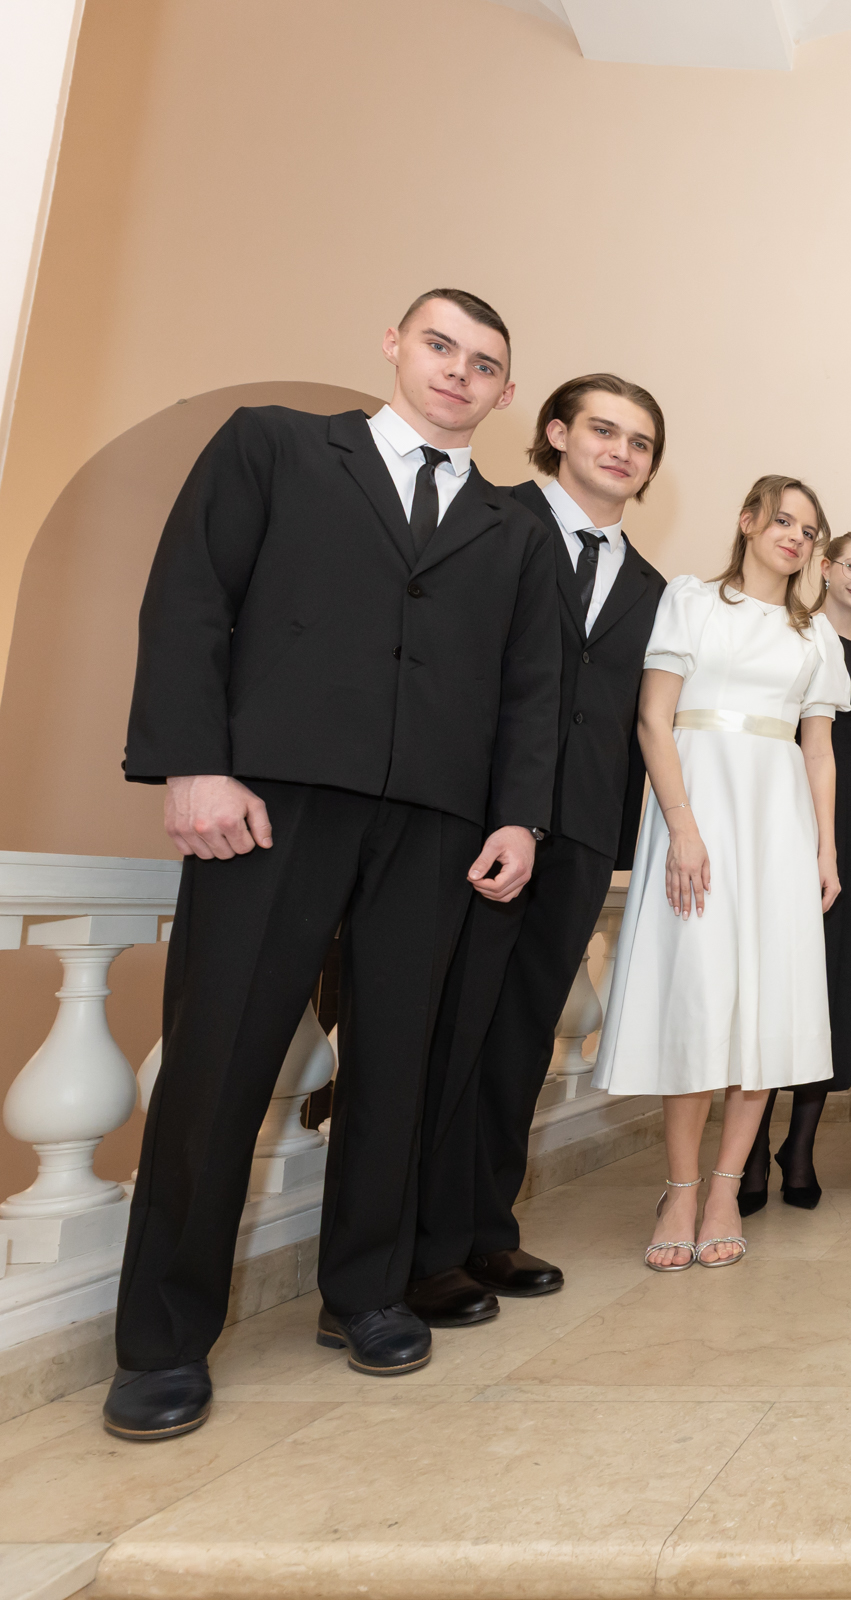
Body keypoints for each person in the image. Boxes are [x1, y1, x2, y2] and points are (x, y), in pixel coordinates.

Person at [109, 289, 559, 1440]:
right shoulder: (274, 445)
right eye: (440, 345)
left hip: (437, 824)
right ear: (395, 346)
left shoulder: (515, 530)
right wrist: (194, 764)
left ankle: (365, 1292)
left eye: (484, 363)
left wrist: (518, 818)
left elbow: (530, 688)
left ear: (506, 393)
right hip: (270, 801)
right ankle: (162, 1340)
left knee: (399, 1065)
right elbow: (190, 599)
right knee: (218, 1061)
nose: (458, 371)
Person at [405, 373, 669, 1329]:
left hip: (583, 829)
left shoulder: (650, 586)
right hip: (480, 819)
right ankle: (420, 1248)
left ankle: (486, 1227)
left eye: (640, 442)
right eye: (604, 429)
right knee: (449, 1029)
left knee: (521, 1036)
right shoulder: (490, 517)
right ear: (556, 432)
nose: (621, 451)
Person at [593, 476, 849, 1270]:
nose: (795, 538)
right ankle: (678, 1188)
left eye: (809, 530)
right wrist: (681, 827)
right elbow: (653, 719)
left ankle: (726, 1188)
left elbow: (818, 751)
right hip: (698, 812)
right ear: (747, 521)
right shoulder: (692, 601)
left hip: (779, 826)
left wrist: (825, 850)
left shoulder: (817, 637)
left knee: (763, 1009)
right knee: (699, 999)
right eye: (783, 521)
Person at [736, 532, 851, 1214]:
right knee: (776, 979)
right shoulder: (786, 634)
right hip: (789, 816)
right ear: (827, 568)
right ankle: (750, 1152)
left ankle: (799, 1147)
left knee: (833, 984)